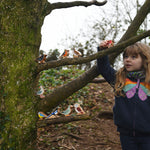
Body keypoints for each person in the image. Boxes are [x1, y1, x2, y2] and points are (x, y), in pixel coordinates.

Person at [97, 41, 150, 150]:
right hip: (126, 135)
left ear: (144, 59)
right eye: (125, 56)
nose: (128, 59)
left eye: (134, 57)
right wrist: (103, 50)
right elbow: (104, 68)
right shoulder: (120, 79)